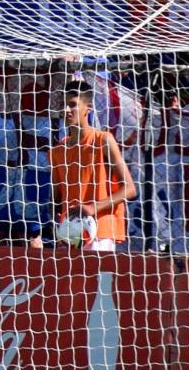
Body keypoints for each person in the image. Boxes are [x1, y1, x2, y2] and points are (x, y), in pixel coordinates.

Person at [49, 80, 137, 251]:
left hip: (100, 232)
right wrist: (57, 218)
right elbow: (56, 198)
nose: (66, 110)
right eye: (63, 105)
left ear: (88, 107)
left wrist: (91, 208)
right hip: (69, 234)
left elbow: (130, 189)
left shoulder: (103, 140)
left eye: (72, 105)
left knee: (98, 278)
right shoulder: (57, 151)